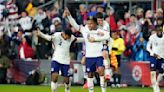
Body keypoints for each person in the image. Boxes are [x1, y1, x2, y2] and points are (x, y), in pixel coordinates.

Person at [64, 8, 110, 92]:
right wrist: (69, 16)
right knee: (90, 74)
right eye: (88, 23)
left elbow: (107, 37)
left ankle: (103, 90)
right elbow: (75, 26)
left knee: (101, 71)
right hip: (89, 56)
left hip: (99, 55)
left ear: (95, 23)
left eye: (91, 24)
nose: (89, 25)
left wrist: (95, 39)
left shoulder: (100, 30)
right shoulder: (85, 30)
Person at [147, 26, 164, 92]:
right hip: (153, 56)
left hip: (162, 57)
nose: (159, 31)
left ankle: (156, 83)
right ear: (156, 31)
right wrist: (153, 53)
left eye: (160, 30)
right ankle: (155, 88)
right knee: (153, 73)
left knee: (162, 73)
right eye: (158, 30)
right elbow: (147, 47)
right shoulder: (152, 37)